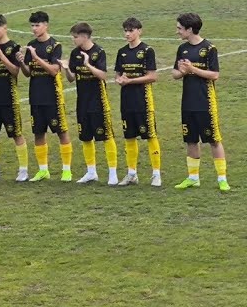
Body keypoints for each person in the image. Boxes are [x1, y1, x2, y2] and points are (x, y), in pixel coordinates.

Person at [172, 12, 230, 192]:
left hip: (205, 102)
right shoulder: (182, 49)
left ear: (190, 29)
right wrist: (182, 72)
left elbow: (214, 75)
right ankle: (193, 178)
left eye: (180, 28)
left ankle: (222, 179)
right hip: (187, 102)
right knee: (190, 140)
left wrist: (192, 69)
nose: (177, 31)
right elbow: (175, 74)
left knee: (213, 140)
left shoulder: (209, 48)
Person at [21, 11, 74, 182]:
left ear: (46, 25)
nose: (34, 29)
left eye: (37, 25)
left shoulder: (55, 45)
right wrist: (22, 62)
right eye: (32, 25)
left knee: (61, 132)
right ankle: (43, 170)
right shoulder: (31, 45)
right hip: (35, 96)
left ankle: (67, 170)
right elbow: (28, 73)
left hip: (53, 97)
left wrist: (36, 57)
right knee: (38, 133)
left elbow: (54, 71)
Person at [64, 23, 119, 186]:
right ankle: (91, 172)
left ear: (84, 36)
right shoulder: (75, 53)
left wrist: (88, 65)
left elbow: (102, 75)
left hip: (98, 102)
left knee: (106, 136)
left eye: (75, 37)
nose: (73, 40)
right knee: (85, 137)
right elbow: (71, 78)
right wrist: (66, 69)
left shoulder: (98, 52)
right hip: (82, 102)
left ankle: (113, 173)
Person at [115, 17, 162, 187]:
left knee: (150, 135)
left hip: (143, 101)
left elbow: (152, 76)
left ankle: (156, 174)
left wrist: (131, 81)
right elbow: (118, 75)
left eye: (131, 30)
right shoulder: (122, 52)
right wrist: (120, 80)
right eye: (125, 31)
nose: (127, 34)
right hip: (126, 101)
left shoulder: (147, 51)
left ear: (139, 31)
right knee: (129, 136)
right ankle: (131, 173)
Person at [0, 14, 29, 182]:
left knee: (16, 133)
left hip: (9, 98)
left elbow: (15, 71)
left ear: (5, 27)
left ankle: (23, 170)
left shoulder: (14, 47)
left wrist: (2, 56)